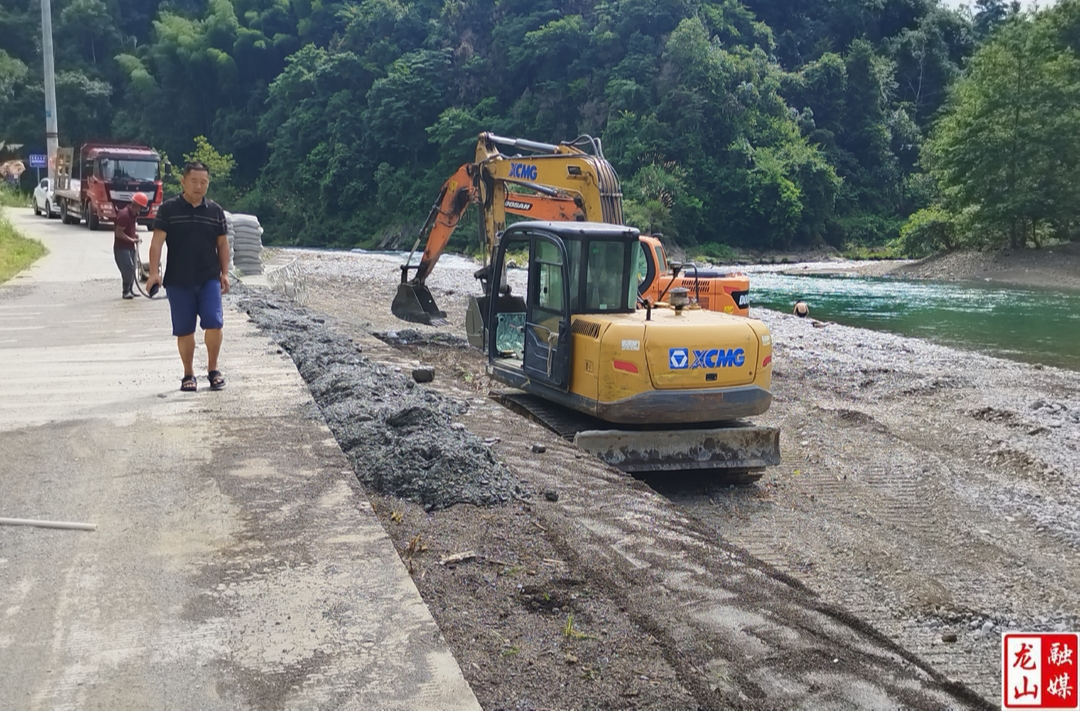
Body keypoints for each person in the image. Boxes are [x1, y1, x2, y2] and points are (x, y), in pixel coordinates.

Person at [145, 161, 230, 392]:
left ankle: (213, 370)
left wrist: (224, 273)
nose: (198, 186)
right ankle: (188, 374)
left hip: (209, 278)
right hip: (178, 280)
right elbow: (156, 243)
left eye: (204, 182)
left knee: (214, 323)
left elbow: (222, 244)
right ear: (183, 181)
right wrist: (154, 273)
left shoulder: (215, 211)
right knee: (185, 330)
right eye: (194, 181)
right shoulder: (168, 210)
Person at [114, 193, 148, 299]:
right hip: (121, 248)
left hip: (129, 247)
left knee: (133, 268)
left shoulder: (133, 215)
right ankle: (126, 291)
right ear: (136, 205)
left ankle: (130, 289)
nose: (141, 210)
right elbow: (118, 233)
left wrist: (134, 235)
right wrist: (132, 240)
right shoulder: (124, 215)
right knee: (128, 268)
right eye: (141, 207)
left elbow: (129, 229)